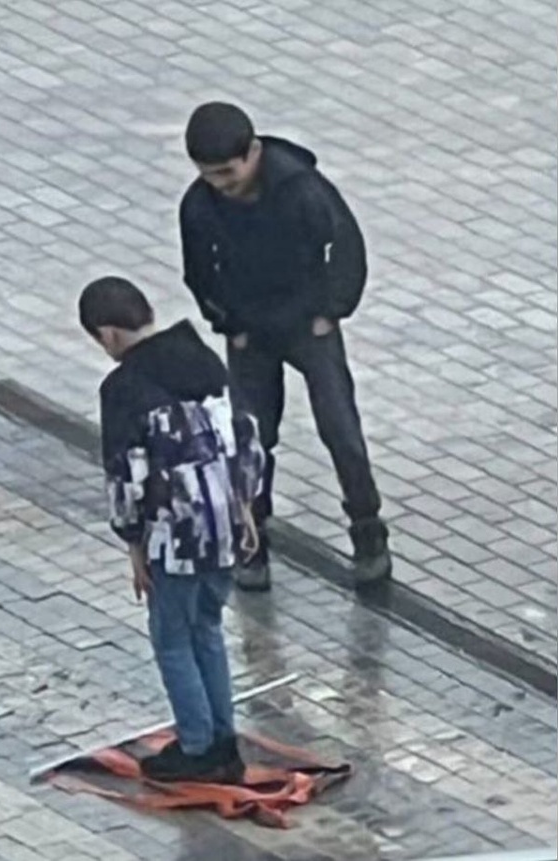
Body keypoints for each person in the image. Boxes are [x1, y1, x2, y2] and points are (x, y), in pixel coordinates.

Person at [178, 101, 390, 591]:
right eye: (210, 176)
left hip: (307, 323)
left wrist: (331, 310)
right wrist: (226, 321)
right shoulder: (199, 206)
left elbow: (346, 245)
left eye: (228, 173)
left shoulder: (300, 188)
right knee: (251, 438)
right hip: (250, 330)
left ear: (252, 153)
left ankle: (368, 531)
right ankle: (252, 539)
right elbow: (198, 272)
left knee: (340, 430)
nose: (222, 185)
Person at [79, 275, 265, 783]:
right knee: (207, 628)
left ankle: (199, 746)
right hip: (226, 522)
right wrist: (245, 505)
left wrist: (133, 543)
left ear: (109, 333)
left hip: (175, 534)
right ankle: (223, 739)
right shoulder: (204, 359)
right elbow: (246, 438)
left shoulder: (123, 388)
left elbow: (127, 473)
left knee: (172, 639)